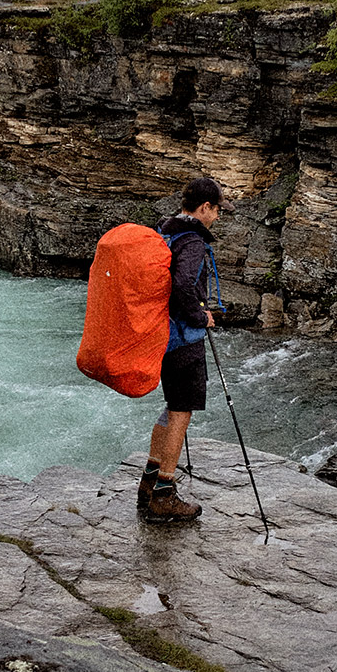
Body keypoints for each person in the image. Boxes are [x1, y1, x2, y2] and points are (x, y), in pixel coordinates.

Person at [140, 175, 223, 523]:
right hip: (184, 339)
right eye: (217, 210)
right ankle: (164, 494)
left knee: (171, 406)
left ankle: (147, 484)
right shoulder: (192, 243)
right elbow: (183, 284)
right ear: (204, 208)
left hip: (161, 335)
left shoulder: (166, 230)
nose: (217, 217)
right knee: (182, 411)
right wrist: (200, 317)